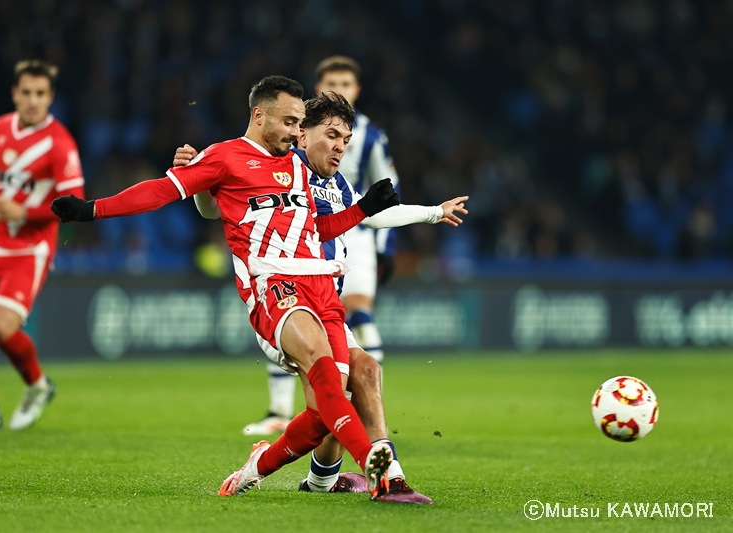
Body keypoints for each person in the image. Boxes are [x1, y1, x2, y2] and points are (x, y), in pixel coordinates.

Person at [51, 76, 401, 498]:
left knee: (322, 416)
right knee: (323, 370)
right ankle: (378, 467)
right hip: (273, 285)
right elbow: (162, 192)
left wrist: (362, 209)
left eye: (299, 124)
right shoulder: (226, 157)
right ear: (259, 114)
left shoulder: (296, 165)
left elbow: (315, 227)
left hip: (322, 286)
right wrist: (90, 210)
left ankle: (259, 467)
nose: (295, 132)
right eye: (289, 122)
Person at [178, 91, 468, 503]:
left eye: (346, 140)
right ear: (301, 133)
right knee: (332, 400)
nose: (340, 146)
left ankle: (323, 481)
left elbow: (371, 215)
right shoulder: (280, 167)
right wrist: (196, 180)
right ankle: (382, 477)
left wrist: (433, 212)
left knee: (360, 376)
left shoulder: (336, 181)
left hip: (325, 300)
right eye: (331, 134)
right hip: (285, 298)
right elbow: (219, 205)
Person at [243, 55, 401, 436]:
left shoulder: (371, 137)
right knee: (317, 360)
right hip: (296, 250)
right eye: (333, 83)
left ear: (357, 90)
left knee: (353, 343)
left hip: (354, 234)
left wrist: (387, 245)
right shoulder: (288, 149)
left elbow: (387, 190)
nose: (340, 90)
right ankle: (282, 412)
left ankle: (356, 449)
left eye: (346, 85)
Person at [0, 60, 84, 431]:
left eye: (40, 94)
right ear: (14, 94)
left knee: (1, 325)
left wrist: (22, 210)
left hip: (31, 247)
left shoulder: (60, 145)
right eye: (26, 92)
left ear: (50, 98)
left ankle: (38, 386)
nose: (32, 100)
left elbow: (74, 203)